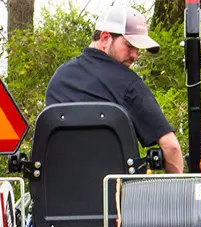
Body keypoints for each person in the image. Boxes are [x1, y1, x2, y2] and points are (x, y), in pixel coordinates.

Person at [45, 3, 184, 173]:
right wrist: (176, 192)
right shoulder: (128, 83)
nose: (135, 56)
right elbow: (171, 147)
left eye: (137, 49)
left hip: (55, 195)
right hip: (117, 196)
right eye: (129, 45)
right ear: (105, 39)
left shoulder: (59, 78)